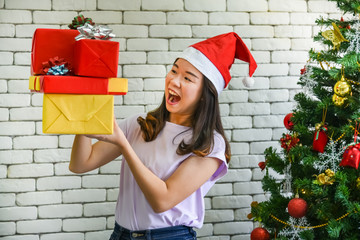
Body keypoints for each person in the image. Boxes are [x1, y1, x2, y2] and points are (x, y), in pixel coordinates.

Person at [70, 32, 257, 240]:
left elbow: (162, 200)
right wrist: (85, 119)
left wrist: (124, 145)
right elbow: (80, 164)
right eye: (174, 71)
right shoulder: (140, 124)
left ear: (205, 95)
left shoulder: (211, 145)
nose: (174, 81)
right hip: (120, 235)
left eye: (187, 78)